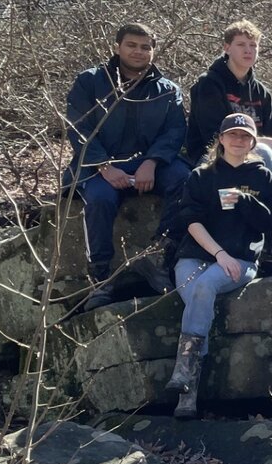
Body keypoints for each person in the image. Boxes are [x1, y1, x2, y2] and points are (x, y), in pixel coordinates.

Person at [163, 113, 272, 419]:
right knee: (197, 295)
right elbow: (190, 221)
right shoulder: (202, 176)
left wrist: (244, 200)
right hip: (198, 255)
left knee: (204, 287)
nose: (238, 140)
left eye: (245, 136)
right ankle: (187, 399)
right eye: (233, 135)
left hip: (241, 259)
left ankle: (184, 372)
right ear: (221, 139)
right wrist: (218, 253)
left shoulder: (262, 176)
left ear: (254, 142)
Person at [63, 23, 190, 310]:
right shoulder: (90, 82)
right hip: (99, 165)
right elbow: (78, 128)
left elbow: (174, 132)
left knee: (187, 181)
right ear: (118, 46)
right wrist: (104, 166)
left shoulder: (167, 90)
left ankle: (159, 258)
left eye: (146, 47)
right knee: (98, 200)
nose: (139, 51)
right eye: (132, 45)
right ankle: (101, 277)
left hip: (150, 163)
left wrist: (152, 162)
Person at [185, 19, 272, 181]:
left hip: (257, 160)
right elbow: (213, 138)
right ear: (227, 48)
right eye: (241, 45)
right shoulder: (209, 84)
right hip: (212, 160)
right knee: (264, 151)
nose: (248, 50)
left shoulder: (261, 92)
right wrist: (266, 144)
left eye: (253, 45)